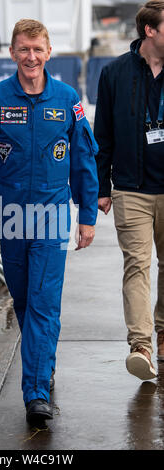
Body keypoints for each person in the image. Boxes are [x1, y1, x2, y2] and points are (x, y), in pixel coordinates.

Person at [0, 19, 99, 423]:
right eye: (23, 49)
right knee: (23, 299)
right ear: (12, 53)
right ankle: (44, 360)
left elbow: (84, 159)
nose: (31, 57)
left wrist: (86, 215)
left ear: (49, 51)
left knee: (42, 302)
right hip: (12, 213)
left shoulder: (68, 99)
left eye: (38, 49)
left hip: (54, 212)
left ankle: (35, 392)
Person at [94, 0, 164, 382]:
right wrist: (102, 186)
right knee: (137, 266)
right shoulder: (115, 73)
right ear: (150, 30)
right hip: (131, 190)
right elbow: (101, 133)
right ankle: (141, 346)